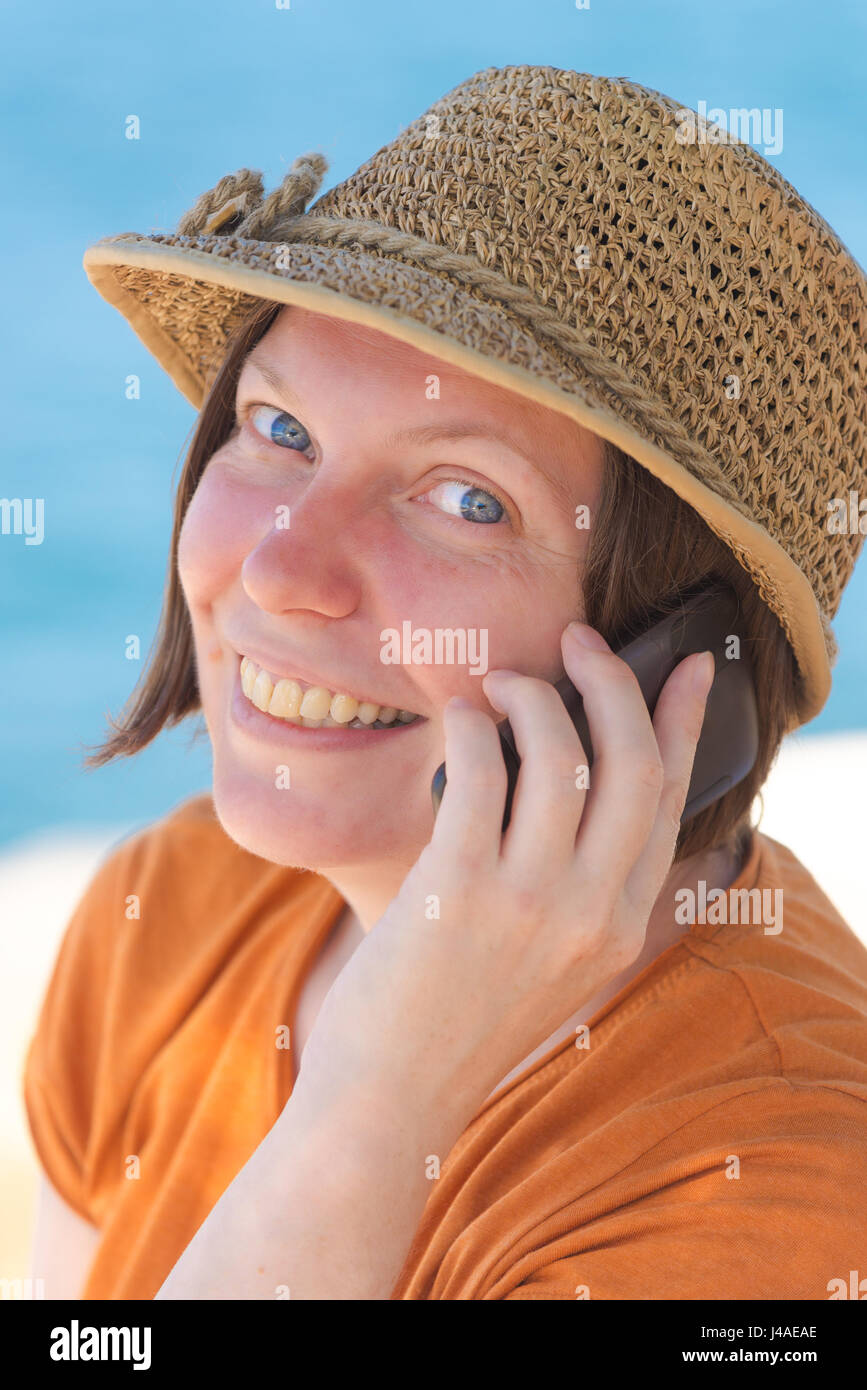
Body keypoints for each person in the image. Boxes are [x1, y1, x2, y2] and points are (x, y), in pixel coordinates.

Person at [23, 66, 867, 1300]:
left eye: (468, 501)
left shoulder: (780, 1185)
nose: (282, 567)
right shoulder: (171, 911)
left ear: (683, 668)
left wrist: (378, 1094)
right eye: (281, 431)